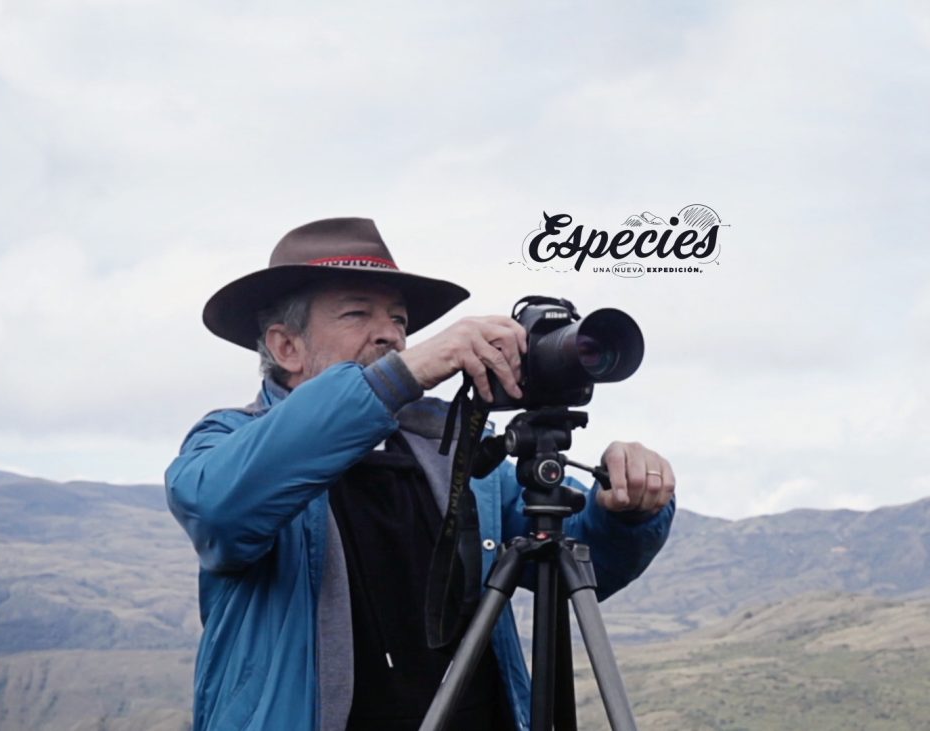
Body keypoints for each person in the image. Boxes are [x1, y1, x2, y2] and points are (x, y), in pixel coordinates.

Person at [165, 217, 676, 731]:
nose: (390, 334)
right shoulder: (228, 440)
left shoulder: (452, 449)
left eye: (400, 320)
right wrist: (399, 380)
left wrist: (626, 513)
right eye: (357, 313)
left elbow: (580, 564)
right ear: (286, 347)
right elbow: (218, 510)